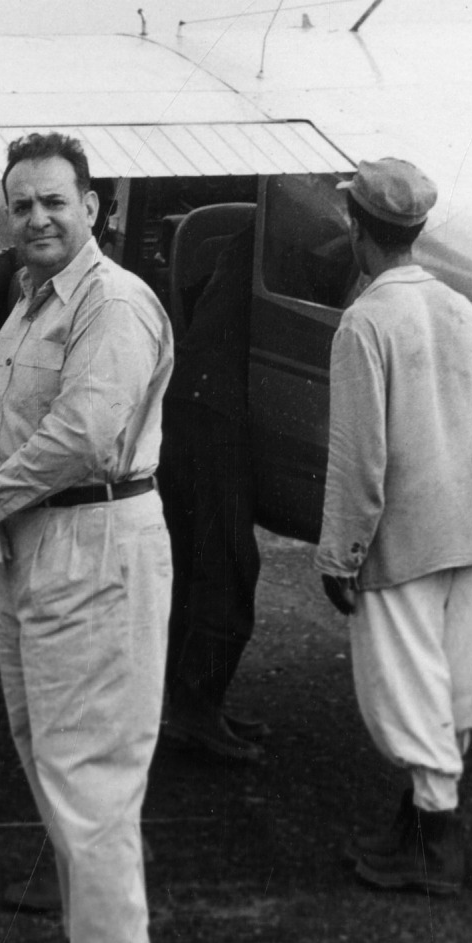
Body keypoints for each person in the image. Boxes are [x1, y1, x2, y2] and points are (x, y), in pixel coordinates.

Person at [0, 134, 174, 943]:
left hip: (95, 535)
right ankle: (92, 935)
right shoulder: (33, 301)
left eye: (54, 201)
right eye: (22, 205)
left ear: (92, 206)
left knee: (90, 756)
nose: (37, 218)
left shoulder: (111, 303)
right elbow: (1, 418)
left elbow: (83, 435)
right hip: (37, 539)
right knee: (46, 746)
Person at [318, 159, 472, 897]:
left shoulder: (364, 321)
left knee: (404, 694)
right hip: (456, 533)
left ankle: (434, 843)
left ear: (356, 229)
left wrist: (342, 551)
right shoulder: (460, 309)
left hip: (397, 541)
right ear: (417, 229)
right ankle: (417, 821)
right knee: (449, 688)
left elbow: (358, 455)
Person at [157, 212, 265, 764]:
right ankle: (195, 707)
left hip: (191, 397)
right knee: (228, 561)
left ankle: (189, 701)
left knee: (191, 560)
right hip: (213, 405)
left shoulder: (255, 231)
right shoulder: (291, 230)